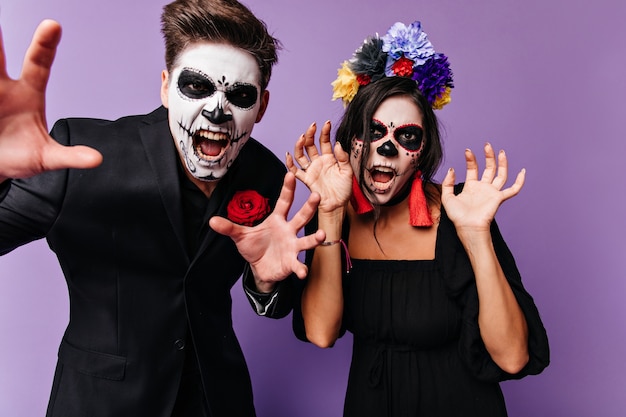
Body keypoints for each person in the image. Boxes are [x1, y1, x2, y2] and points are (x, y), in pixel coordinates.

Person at [0, 0, 326, 416]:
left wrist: (265, 285)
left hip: (215, 400)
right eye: (197, 86)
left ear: (261, 106)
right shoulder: (78, 151)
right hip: (103, 403)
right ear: (165, 87)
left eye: (239, 95)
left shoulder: (266, 174)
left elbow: (276, 303)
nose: (216, 110)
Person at [288, 21, 550, 416]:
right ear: (351, 142)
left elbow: (512, 357)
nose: (387, 147)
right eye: (372, 131)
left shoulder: (459, 213)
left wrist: (475, 235)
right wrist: (328, 212)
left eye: (406, 136)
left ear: (423, 152)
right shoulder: (332, 212)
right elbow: (321, 333)